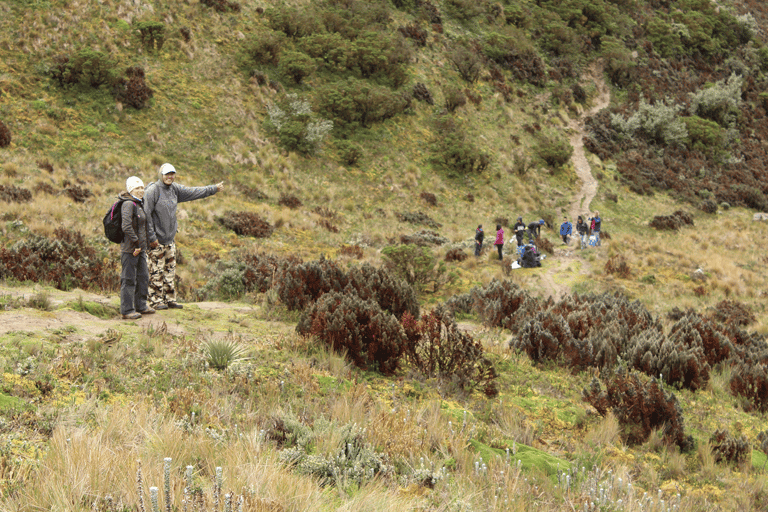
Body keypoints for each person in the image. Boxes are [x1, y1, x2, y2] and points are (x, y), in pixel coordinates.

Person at [144, 163, 224, 310]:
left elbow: (194, 192)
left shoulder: (175, 189)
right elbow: (146, 215)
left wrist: (214, 189)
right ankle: (155, 301)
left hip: (169, 240)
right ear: (160, 175)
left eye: (172, 174)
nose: (170, 177)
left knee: (169, 271)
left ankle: (169, 300)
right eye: (167, 174)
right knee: (156, 271)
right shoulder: (153, 191)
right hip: (155, 241)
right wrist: (151, 236)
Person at [119, 176, 157, 320]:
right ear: (130, 190)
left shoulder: (139, 203)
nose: (141, 190)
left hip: (140, 248)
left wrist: (145, 244)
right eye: (137, 188)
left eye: (142, 187)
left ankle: (141, 305)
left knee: (143, 276)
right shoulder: (128, 204)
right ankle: (127, 310)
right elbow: (126, 226)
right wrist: (135, 243)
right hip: (130, 249)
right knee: (128, 279)